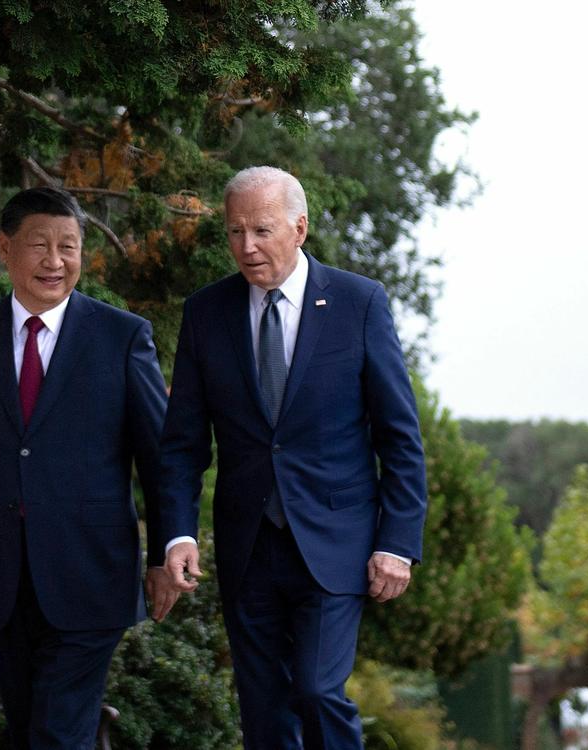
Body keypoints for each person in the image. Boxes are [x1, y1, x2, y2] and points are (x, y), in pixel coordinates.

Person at [160, 166, 428, 748]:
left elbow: (398, 436)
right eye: (234, 232)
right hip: (247, 545)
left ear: (299, 227)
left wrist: (397, 542)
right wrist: (177, 534)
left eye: (261, 229)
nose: (247, 246)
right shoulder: (206, 313)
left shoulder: (360, 303)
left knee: (315, 689)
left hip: (336, 540)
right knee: (264, 712)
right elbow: (182, 443)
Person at [0, 186, 176, 750]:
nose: (55, 262)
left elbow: (159, 455)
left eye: (70, 246)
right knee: (30, 728)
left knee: (58, 732)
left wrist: (165, 551)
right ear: (4, 249)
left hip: (93, 574)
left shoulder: (123, 337)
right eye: (39, 245)